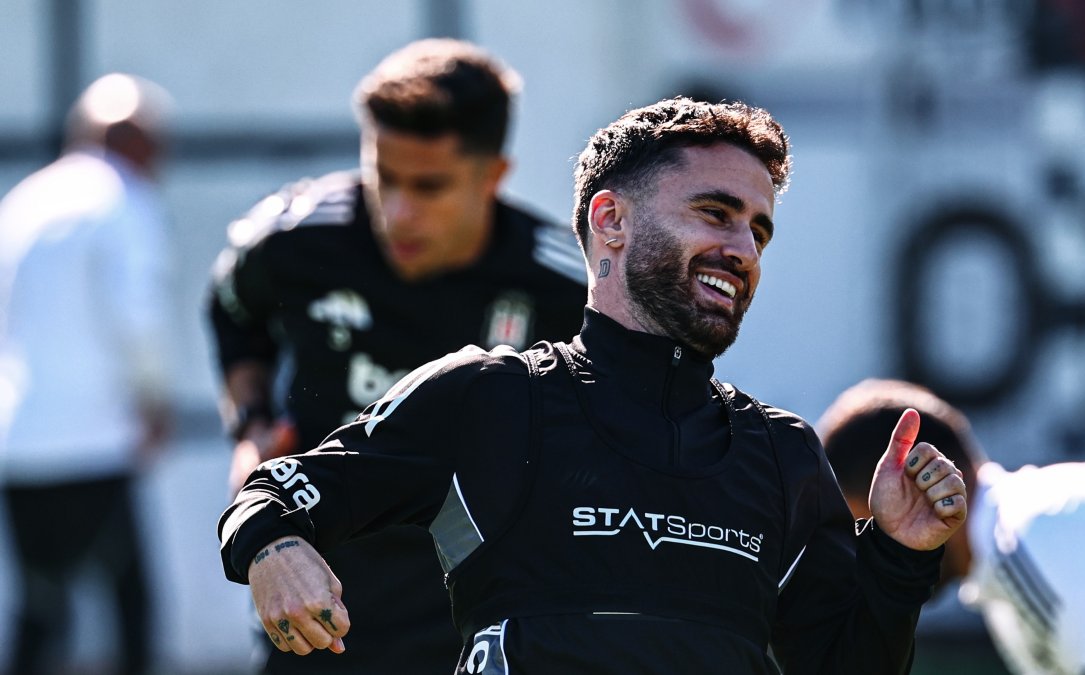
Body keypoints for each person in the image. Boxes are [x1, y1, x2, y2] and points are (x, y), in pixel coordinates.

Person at [218, 96, 968, 674]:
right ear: (610, 220)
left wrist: (901, 555)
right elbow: (275, 493)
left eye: (758, 231)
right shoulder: (490, 395)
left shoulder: (782, 452)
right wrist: (272, 546)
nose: (741, 249)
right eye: (715, 213)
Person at [205, 38, 588, 673]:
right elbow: (232, 313)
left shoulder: (559, 288)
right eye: (384, 178)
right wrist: (250, 427)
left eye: (430, 187)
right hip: (319, 587)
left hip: (470, 608)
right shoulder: (293, 240)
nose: (399, 213)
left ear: (493, 175)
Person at [818, 378, 1085, 675]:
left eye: (866, 530)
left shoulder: (1032, 538)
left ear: (914, 488)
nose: (861, 561)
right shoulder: (1010, 568)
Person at [0, 73, 173, 675]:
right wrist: (154, 400)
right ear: (136, 142)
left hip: (22, 440)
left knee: (42, 608)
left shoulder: (25, 199)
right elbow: (139, 317)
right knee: (132, 604)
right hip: (96, 439)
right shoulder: (121, 200)